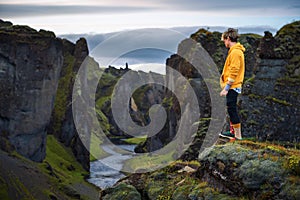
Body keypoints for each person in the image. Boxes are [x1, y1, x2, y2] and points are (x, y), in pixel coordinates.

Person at [219, 28, 245, 140]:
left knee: (232, 108)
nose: (224, 43)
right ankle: (233, 132)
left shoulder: (235, 52)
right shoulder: (235, 51)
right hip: (233, 86)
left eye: (224, 40)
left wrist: (227, 87)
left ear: (228, 39)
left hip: (233, 86)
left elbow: (234, 70)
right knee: (231, 108)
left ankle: (237, 135)